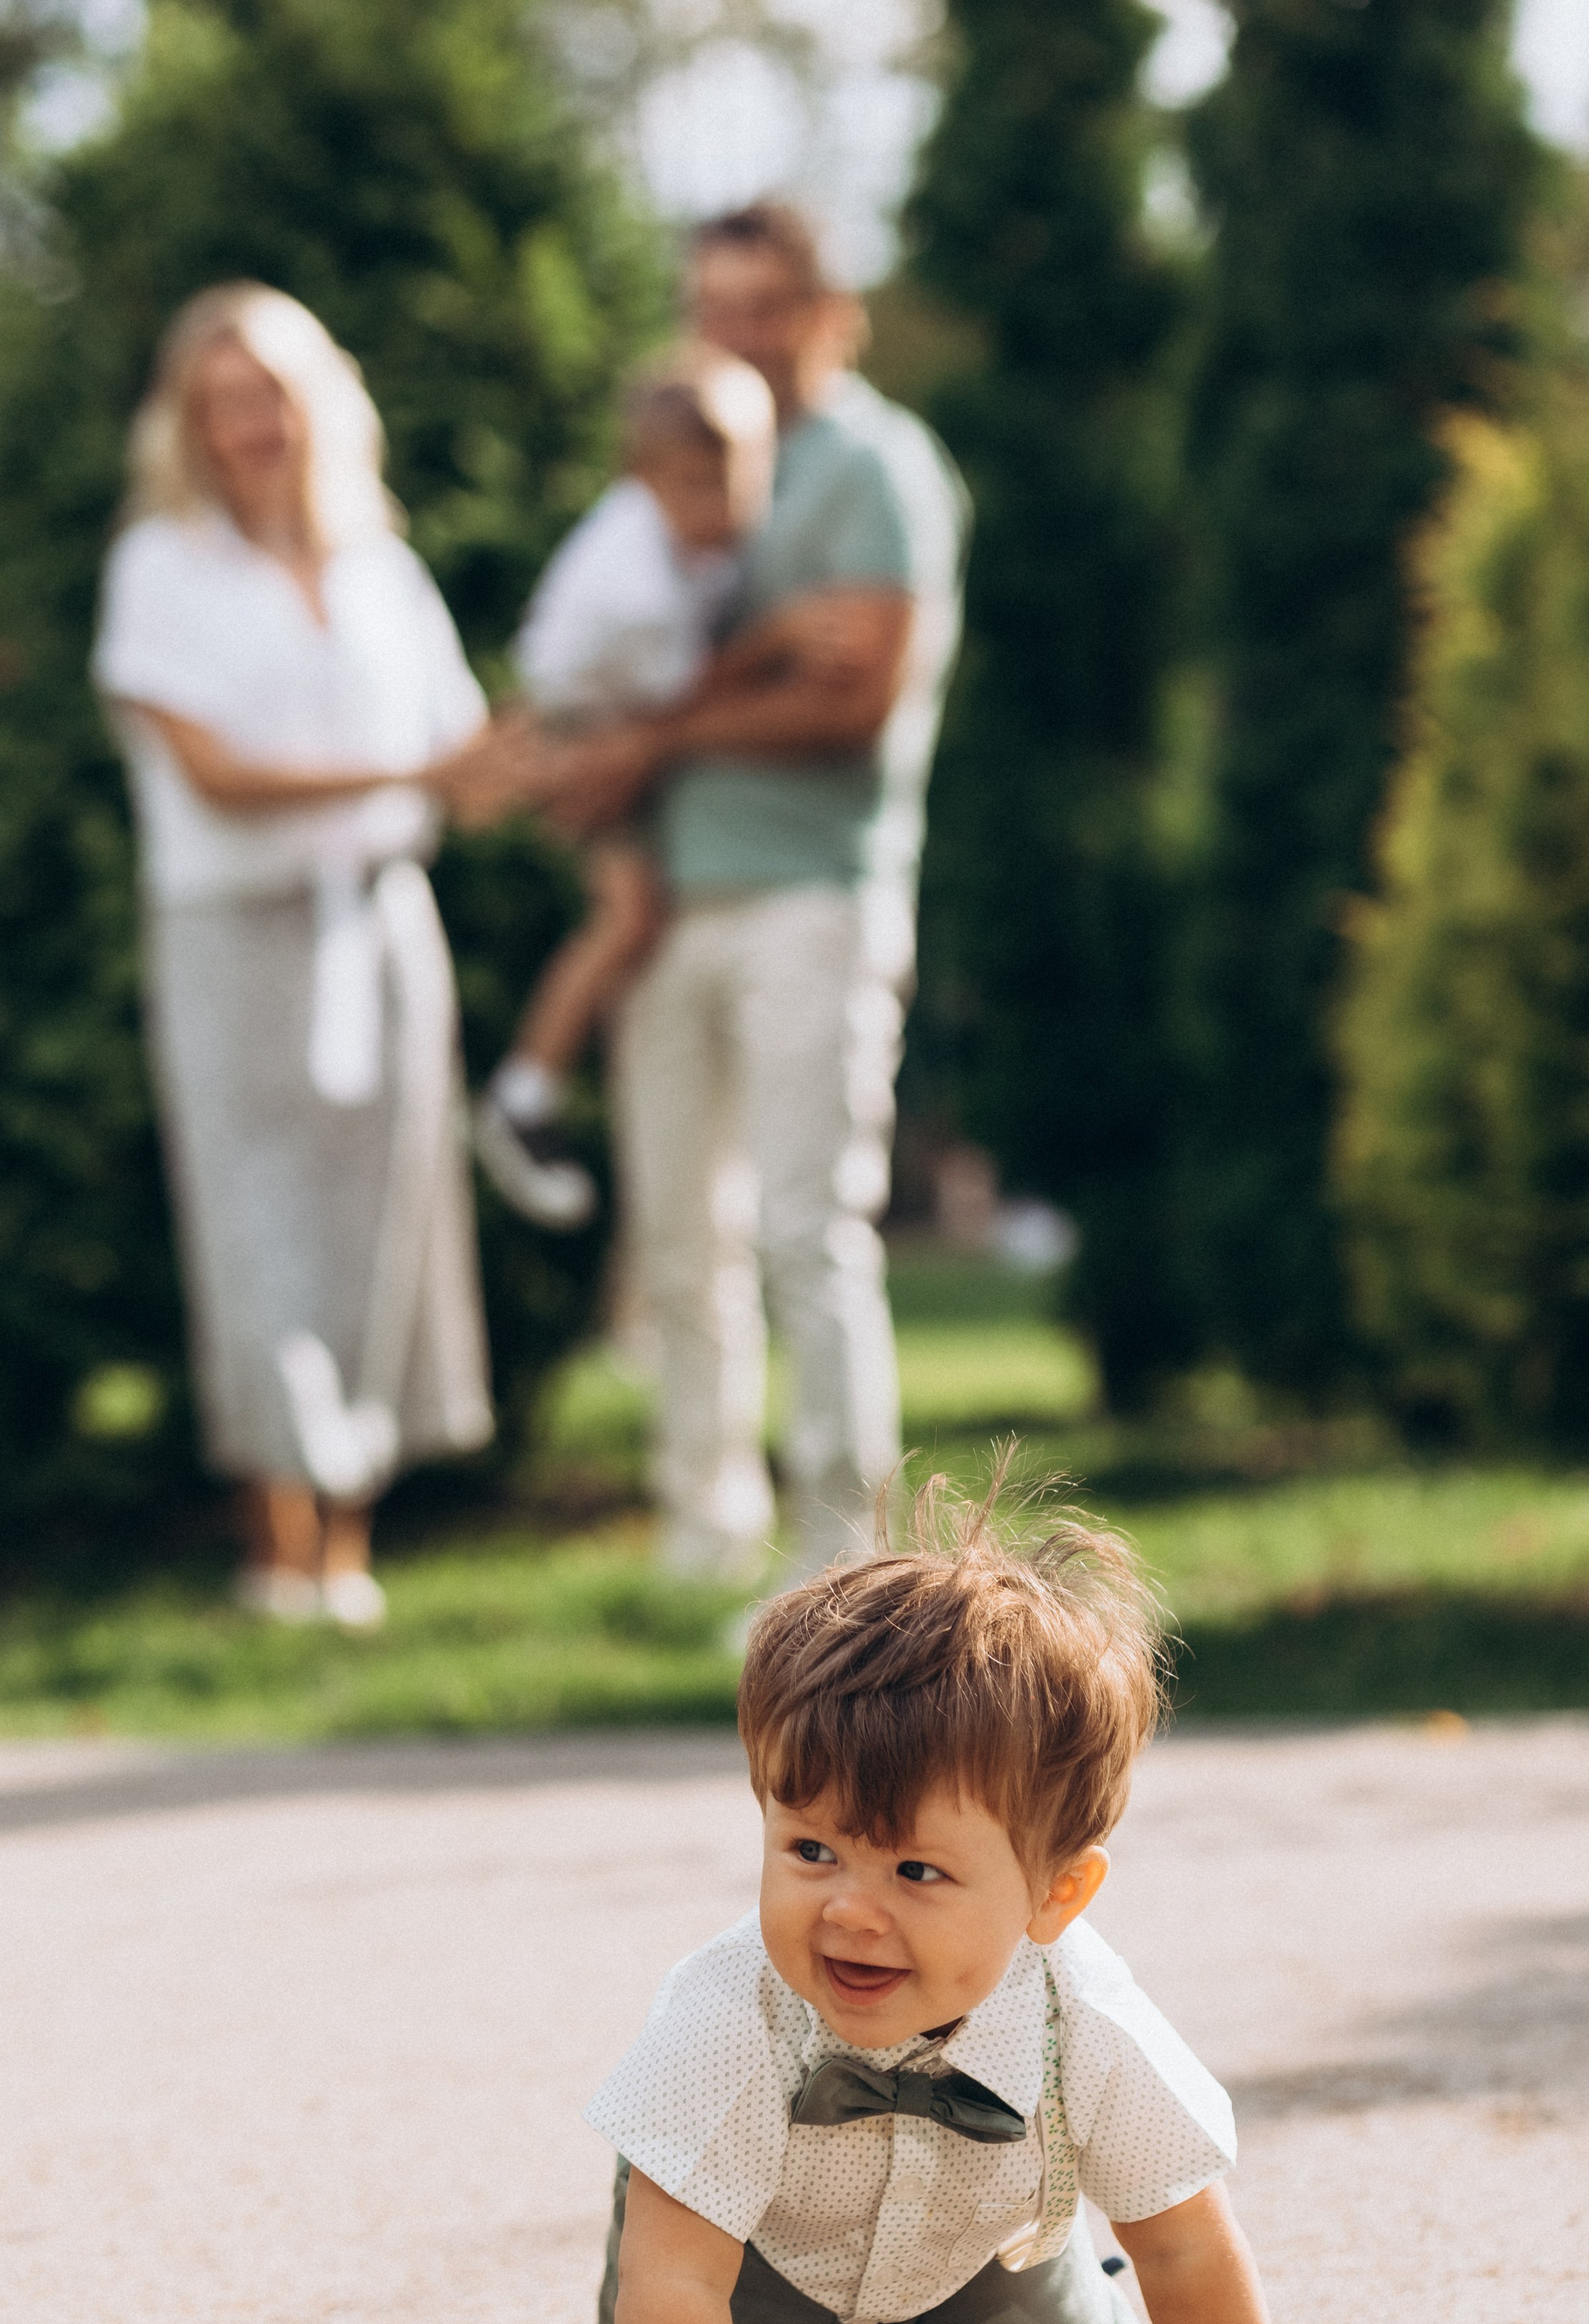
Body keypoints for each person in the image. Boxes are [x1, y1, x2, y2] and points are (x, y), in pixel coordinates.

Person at [580, 1491, 1372, 2324]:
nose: (850, 1913)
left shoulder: (1083, 2015)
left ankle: (1042, 2299)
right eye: (810, 1849)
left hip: (973, 2255)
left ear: (1056, 1894)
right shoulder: (730, 2013)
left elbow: (1188, 2242)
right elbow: (681, 2281)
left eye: (916, 1873)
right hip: (756, 2267)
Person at [539, 201, 969, 1582]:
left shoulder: (878, 469)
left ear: (829, 311)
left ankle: (843, 1561)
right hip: (668, 906)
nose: (738, 333)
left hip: (814, 893)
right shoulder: (677, 469)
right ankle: (700, 1539)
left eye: (765, 305)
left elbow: (855, 698)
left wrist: (653, 738)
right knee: (680, 1241)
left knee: (806, 1230)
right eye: (713, 306)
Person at [93, 284, 494, 1627]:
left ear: (319, 403)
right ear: (189, 424)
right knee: (253, 1217)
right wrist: (407, 772)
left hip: (382, 921)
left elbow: (468, 760)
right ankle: (278, 1546)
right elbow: (212, 774)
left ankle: (349, 1543)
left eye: (269, 394)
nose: (250, 424)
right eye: (223, 401)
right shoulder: (161, 567)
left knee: (380, 1213)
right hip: (236, 927)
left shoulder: (387, 568)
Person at [471, 346, 777, 1233]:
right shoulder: (635, 584)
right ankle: (525, 1091)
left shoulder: (677, 534)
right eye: (695, 488)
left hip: (606, 714)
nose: (723, 510)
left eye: (738, 483)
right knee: (630, 919)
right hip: (580, 726)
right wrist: (774, 644)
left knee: (639, 922)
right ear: (643, 480)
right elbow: (676, 704)